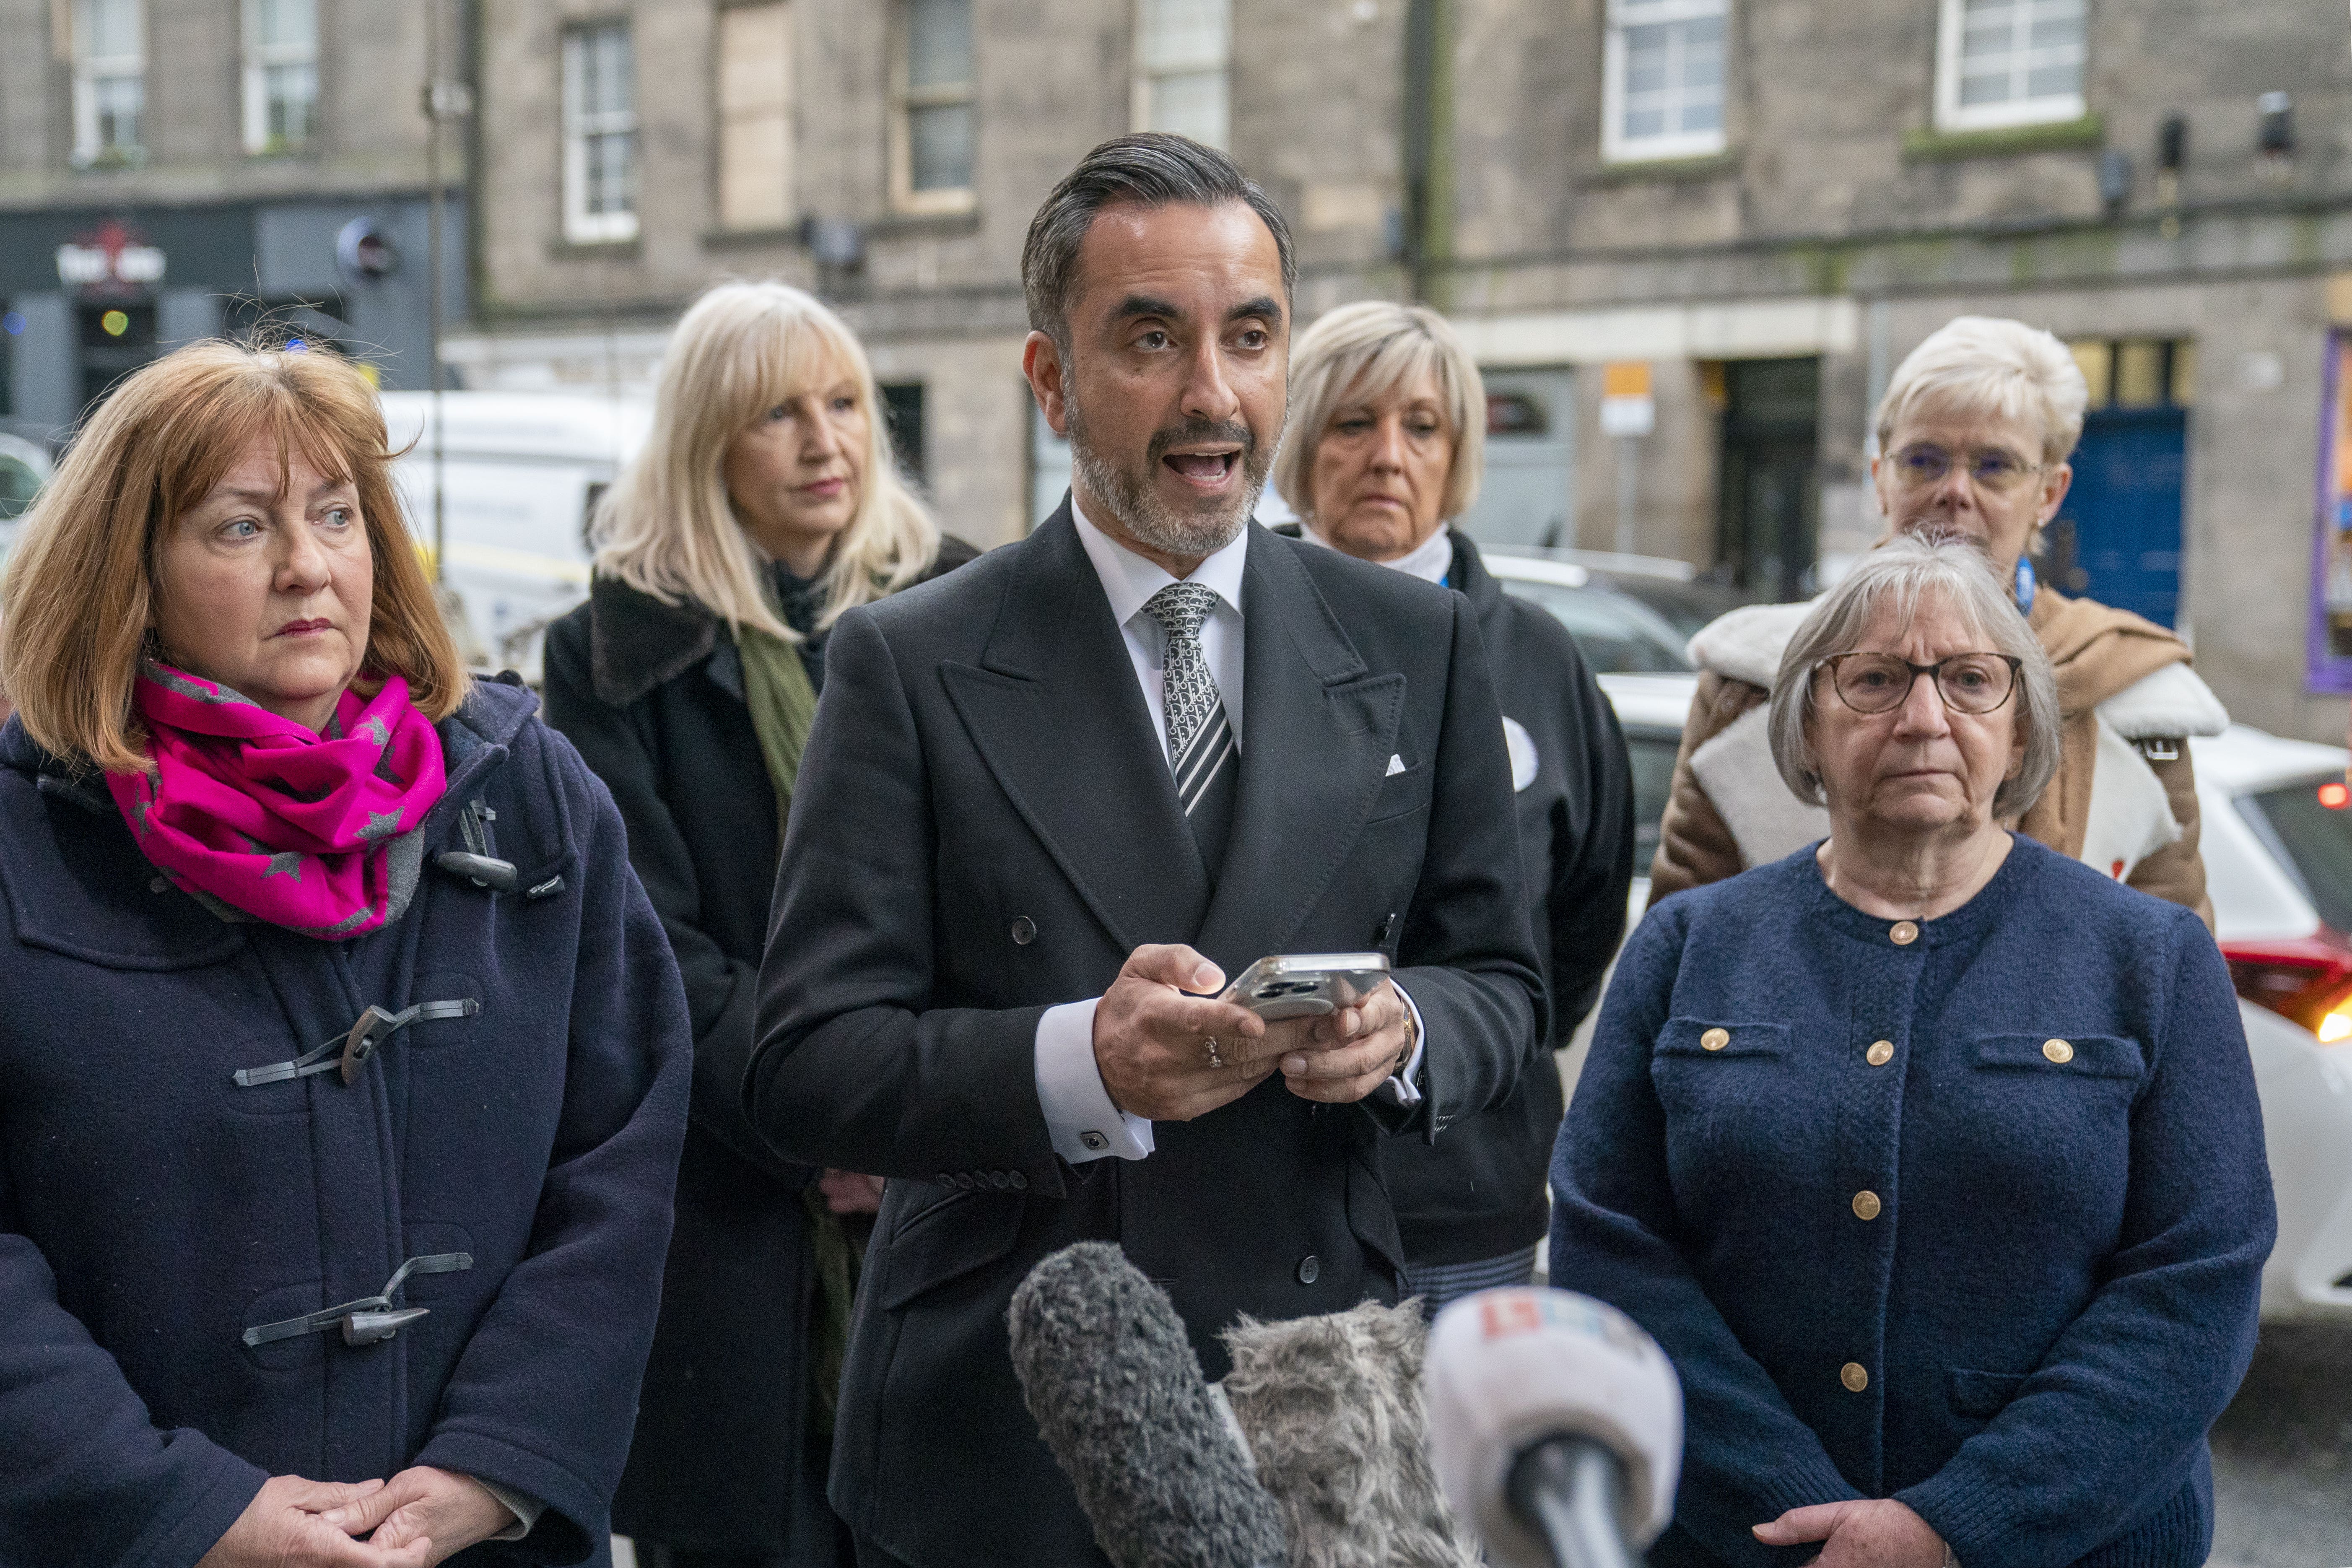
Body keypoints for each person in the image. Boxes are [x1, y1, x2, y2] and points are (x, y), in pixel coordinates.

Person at [745, 133, 1545, 1568]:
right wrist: (1078, 1064)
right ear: (1051, 379)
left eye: (1250, 337)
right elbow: (805, 1065)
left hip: (1313, 1410)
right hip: (1000, 1434)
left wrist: (1407, 1030)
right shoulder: (909, 661)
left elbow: (1503, 979)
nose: (1213, 396)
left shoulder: (1417, 643)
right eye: (1152, 340)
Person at [0, 340, 690, 1567]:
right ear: (132, 576)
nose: (308, 565)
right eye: (239, 527)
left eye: (335, 515)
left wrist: (501, 1460)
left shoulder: (527, 794)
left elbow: (620, 1163)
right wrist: (178, 1509)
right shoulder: (27, 835)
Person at [1550, 535, 2273, 1568]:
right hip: (1735, 1541)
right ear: (1806, 718)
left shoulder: (2150, 957)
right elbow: (1605, 1251)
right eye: (1877, 679)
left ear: (2021, 720)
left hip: (2076, 1545)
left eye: (1971, 680)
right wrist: (1793, 1511)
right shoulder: (1688, 945)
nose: (1925, 718)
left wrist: (1957, 1527)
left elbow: (2197, 1282)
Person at [542, 280, 975, 1568]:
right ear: (704, 445)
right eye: (776, 414)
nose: (825, 440)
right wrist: (819, 1123)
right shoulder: (614, 650)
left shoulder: (963, 609)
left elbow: (1008, 905)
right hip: (734, 1213)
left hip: (946, 1178)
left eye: (844, 403)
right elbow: (644, 943)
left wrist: (907, 1118)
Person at [1269, 300, 1634, 1310]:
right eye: (1354, 424)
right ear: (1298, 443)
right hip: (1255, 1185)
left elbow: (1579, 919)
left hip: (1470, 1185)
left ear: (1459, 452)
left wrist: (1462, 1039)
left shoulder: (1541, 661)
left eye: (1421, 427)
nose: (1389, 454)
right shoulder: (1230, 635)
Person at [1650, 316, 2226, 917]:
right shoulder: (1750, 679)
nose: (1954, 490)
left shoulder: (2133, 695)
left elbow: (2172, 955)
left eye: (1993, 465)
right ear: (1880, 481)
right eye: (1924, 461)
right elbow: (1684, 941)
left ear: (2049, 495)